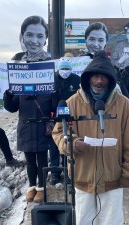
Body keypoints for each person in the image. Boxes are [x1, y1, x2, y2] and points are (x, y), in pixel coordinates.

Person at [52, 50, 129, 225]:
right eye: (95, 76)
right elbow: (59, 133)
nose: (99, 81)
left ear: (110, 79)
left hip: (113, 180)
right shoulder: (71, 103)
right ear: (88, 78)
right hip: (82, 179)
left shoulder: (125, 106)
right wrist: (73, 144)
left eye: (104, 77)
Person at [3, 15, 54, 203]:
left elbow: (57, 97)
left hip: (42, 124)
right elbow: (11, 107)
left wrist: (53, 116)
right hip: (25, 124)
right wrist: (8, 93)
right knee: (29, 160)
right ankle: (31, 186)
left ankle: (42, 188)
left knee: (42, 159)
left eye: (40, 36)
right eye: (29, 35)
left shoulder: (51, 64)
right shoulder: (16, 65)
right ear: (22, 36)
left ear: (45, 39)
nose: (34, 40)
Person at [49, 56, 81, 185]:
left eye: (67, 68)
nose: (65, 71)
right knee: (54, 146)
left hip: (71, 117)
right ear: (58, 68)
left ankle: (68, 173)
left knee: (68, 143)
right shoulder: (52, 79)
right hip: (54, 116)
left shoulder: (76, 80)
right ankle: (55, 173)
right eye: (63, 68)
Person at [83, 22, 129, 98]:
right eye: (92, 39)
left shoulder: (113, 65)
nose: (96, 44)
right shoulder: (76, 64)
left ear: (106, 41)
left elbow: (124, 97)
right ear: (86, 39)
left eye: (101, 40)